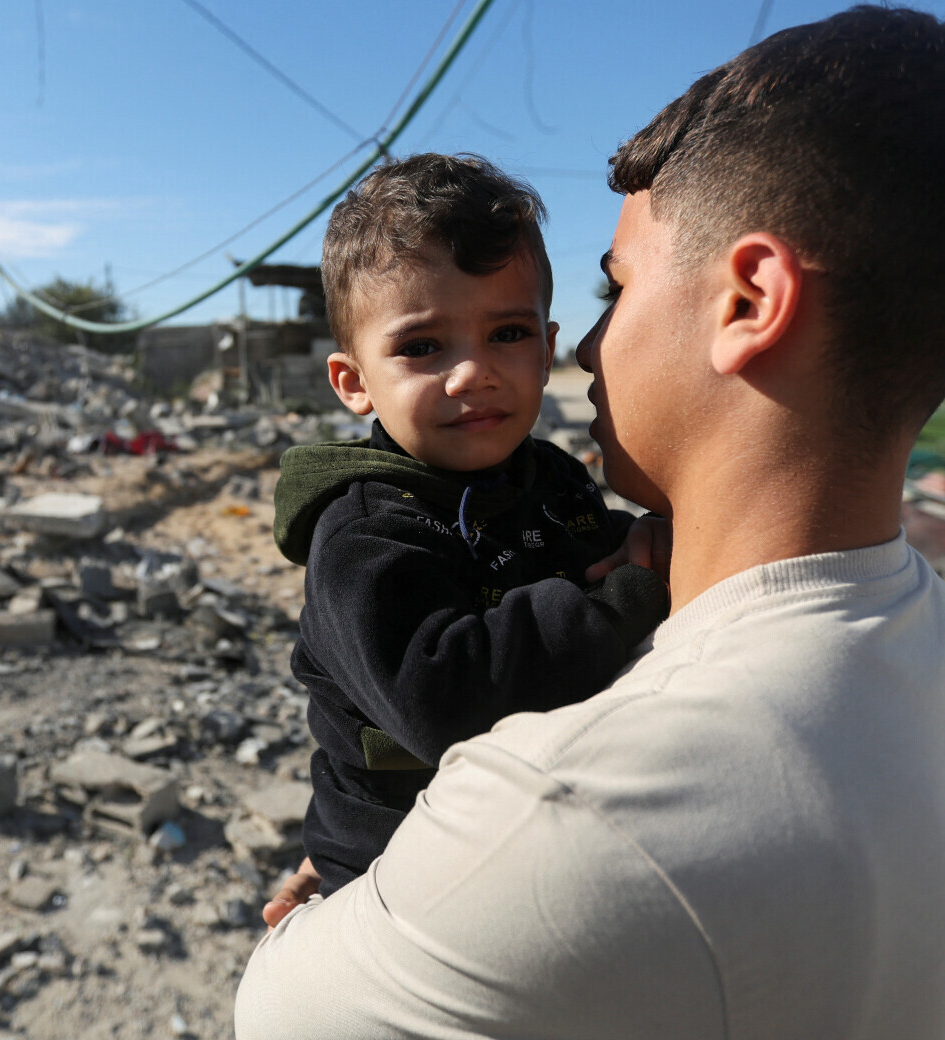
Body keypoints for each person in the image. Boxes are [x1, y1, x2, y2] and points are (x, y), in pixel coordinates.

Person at [237, 4, 945, 1038]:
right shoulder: (944, 653)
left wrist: (337, 911)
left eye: (612, 295)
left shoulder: (575, 817)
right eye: (425, 348)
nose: (581, 355)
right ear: (355, 380)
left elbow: (277, 1013)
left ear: (748, 301)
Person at [268, 153, 672, 903]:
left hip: (522, 827)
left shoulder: (549, 478)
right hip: (399, 863)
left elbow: (595, 557)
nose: (472, 373)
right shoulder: (365, 533)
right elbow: (441, 700)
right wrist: (621, 601)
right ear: (354, 383)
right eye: (422, 347)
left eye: (508, 333)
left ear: (548, 348)